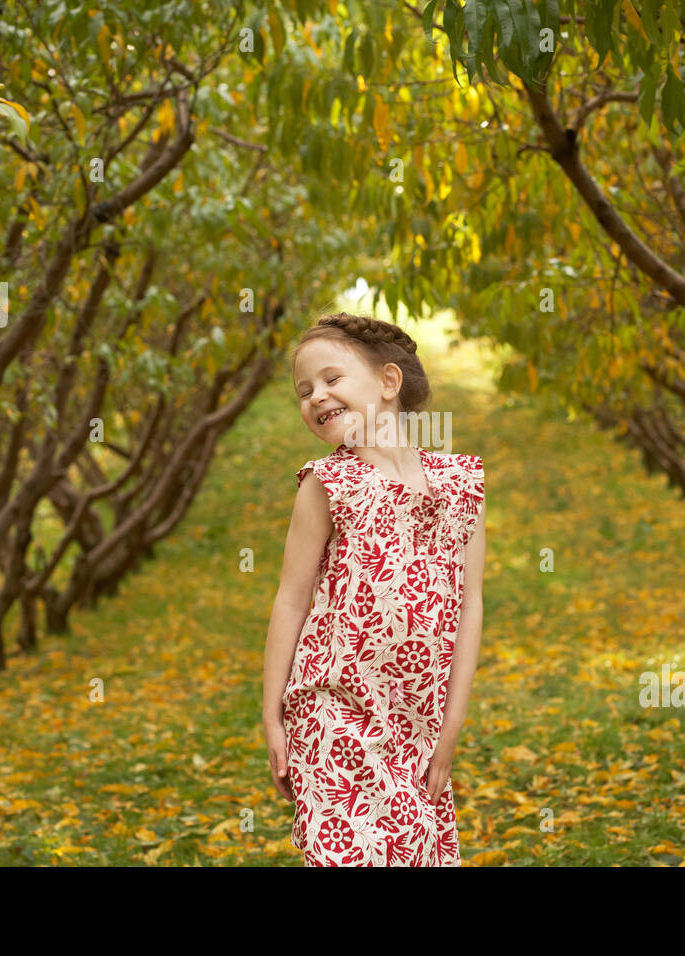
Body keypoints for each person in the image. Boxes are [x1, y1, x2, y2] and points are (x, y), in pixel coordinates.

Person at [262, 312, 487, 866]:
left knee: (413, 851)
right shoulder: (327, 484)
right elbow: (291, 599)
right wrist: (272, 714)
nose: (316, 396)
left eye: (331, 379)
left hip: (416, 721)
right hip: (332, 711)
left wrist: (451, 727)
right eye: (304, 391)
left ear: (389, 382)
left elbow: (470, 607)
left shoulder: (460, 486)